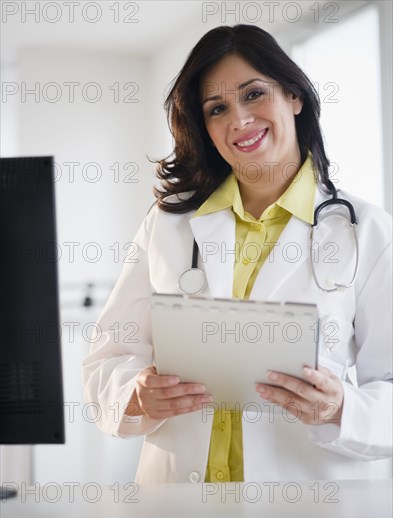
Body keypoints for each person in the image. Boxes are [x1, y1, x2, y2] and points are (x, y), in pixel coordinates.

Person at [82, 24, 392, 484]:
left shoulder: (366, 230)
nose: (239, 120)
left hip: (307, 506)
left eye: (253, 94)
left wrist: (339, 407)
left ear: (294, 95)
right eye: (217, 109)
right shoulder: (168, 225)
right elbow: (107, 357)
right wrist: (136, 394)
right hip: (177, 503)